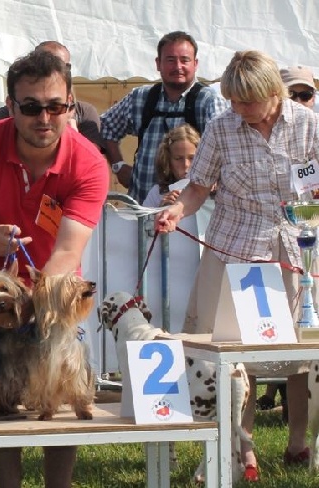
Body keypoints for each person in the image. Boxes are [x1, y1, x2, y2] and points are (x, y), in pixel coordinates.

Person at [155, 50, 317, 482]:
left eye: (247, 102)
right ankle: (234, 448)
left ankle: (298, 442)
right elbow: (198, 187)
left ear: (272, 93)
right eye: (233, 101)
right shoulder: (221, 127)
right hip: (231, 252)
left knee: (296, 354)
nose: (238, 110)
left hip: (291, 251)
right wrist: (177, 212)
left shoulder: (308, 125)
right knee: (226, 354)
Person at [0, 49, 109, 488]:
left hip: (50, 294)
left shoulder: (89, 163)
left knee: (57, 396)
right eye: (31, 107)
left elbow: (66, 253)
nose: (44, 117)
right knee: (0, 400)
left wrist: (32, 299)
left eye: (56, 106)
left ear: (71, 103)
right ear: (10, 104)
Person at [100, 31, 228, 204]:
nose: (178, 66)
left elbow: (226, 146)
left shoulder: (208, 100)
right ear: (158, 63)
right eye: (170, 60)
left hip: (190, 213)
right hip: (142, 209)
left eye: (184, 60)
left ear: (196, 64)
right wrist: (118, 166)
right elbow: (105, 126)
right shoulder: (141, 97)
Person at [257, 65, 317, 418]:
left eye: (305, 94)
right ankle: (243, 444)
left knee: (304, 350)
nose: (298, 101)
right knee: (255, 344)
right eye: (291, 94)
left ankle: (301, 440)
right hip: (264, 247)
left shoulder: (314, 130)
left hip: (308, 247)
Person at [0, 41, 106, 152]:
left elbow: (93, 156)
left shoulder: (85, 111)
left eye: (55, 108)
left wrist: (72, 134)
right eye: (30, 108)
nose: (44, 119)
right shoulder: (11, 110)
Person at [142, 123, 199, 207]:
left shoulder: (214, 190)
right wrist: (161, 209)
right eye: (178, 158)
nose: (186, 165)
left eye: (192, 158)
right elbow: (144, 219)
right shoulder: (157, 193)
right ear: (168, 161)